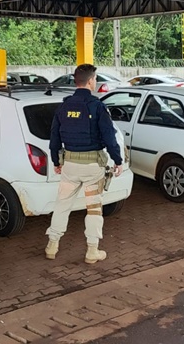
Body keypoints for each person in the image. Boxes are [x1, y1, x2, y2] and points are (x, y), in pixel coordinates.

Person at [45, 64, 123, 264]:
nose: (95, 82)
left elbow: (54, 138)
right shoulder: (97, 106)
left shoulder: (64, 106)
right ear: (90, 81)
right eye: (95, 79)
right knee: (94, 209)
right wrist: (118, 160)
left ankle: (52, 245)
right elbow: (109, 137)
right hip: (92, 168)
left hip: (69, 165)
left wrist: (56, 161)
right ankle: (92, 250)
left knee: (62, 205)